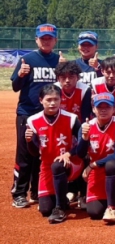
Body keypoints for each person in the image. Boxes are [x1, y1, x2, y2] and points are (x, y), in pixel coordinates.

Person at [11, 23, 60, 209]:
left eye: (50, 38)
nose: (46, 41)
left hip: (48, 116)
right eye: (43, 38)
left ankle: (37, 191)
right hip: (27, 114)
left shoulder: (58, 61)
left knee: (43, 153)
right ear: (36, 40)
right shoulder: (27, 59)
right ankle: (19, 193)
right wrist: (21, 75)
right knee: (24, 155)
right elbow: (16, 87)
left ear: (55, 40)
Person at [25, 84, 82, 223]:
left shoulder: (72, 119)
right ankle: (62, 200)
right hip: (46, 167)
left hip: (71, 163)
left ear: (61, 100)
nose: (52, 103)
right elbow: (33, 153)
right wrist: (29, 141)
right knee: (45, 209)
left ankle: (60, 208)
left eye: (56, 99)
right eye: (49, 99)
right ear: (40, 100)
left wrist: (69, 154)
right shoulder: (32, 120)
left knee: (58, 165)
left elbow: (82, 146)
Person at [75, 92, 115, 223]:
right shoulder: (86, 126)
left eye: (107, 107)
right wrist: (84, 138)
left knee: (112, 164)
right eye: (100, 107)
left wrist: (92, 165)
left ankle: (112, 207)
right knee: (95, 212)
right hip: (97, 172)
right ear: (93, 109)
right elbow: (80, 154)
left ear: (114, 109)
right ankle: (110, 196)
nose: (103, 110)